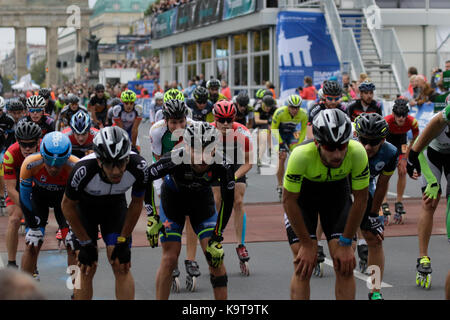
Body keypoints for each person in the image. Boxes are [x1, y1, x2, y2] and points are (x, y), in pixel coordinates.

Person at [283, 108, 369, 300]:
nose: (338, 154)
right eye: (330, 148)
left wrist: (347, 242)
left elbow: (361, 200)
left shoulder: (357, 152)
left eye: (342, 146)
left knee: (345, 265)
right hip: (303, 201)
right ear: (317, 143)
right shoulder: (300, 155)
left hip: (337, 198)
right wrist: (306, 243)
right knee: (303, 265)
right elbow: (288, 201)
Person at [144, 121, 235, 300]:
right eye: (197, 150)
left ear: (216, 148)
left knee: (214, 259)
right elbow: (146, 177)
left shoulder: (224, 165)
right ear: (186, 147)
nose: (202, 158)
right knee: (170, 258)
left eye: (208, 151)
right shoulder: (174, 158)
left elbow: (228, 202)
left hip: (201, 203)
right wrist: (151, 215)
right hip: (173, 201)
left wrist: (217, 237)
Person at [62, 126, 147, 300]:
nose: (116, 171)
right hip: (85, 210)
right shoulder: (82, 169)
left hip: (115, 208)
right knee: (86, 266)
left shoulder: (139, 166)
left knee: (121, 264)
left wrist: (123, 240)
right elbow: (67, 206)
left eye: (121, 163)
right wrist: (85, 243)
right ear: (99, 161)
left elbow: (137, 203)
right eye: (109, 164)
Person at [148, 99, 198, 291]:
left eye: (181, 122)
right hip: (166, 171)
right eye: (173, 123)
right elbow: (158, 161)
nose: (178, 127)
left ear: (187, 118)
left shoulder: (196, 127)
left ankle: (191, 260)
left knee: (192, 215)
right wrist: (160, 187)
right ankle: (172, 259)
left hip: (190, 170)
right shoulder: (156, 130)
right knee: (169, 215)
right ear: (166, 120)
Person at [19, 132, 78, 280]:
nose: (53, 168)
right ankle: (22, 289)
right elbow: (24, 199)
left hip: (65, 204)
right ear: (42, 155)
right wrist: (32, 226)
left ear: (66, 159)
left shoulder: (76, 166)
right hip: (39, 200)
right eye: (49, 163)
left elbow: (81, 202)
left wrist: (75, 228)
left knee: (73, 246)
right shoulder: (30, 163)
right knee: (32, 243)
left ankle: (76, 290)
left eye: (58, 165)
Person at [354, 113, 398, 300]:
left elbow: (382, 185)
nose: (367, 147)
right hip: (341, 184)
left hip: (367, 185)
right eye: (364, 140)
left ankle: (375, 291)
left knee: (376, 238)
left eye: (373, 142)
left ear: (384, 139)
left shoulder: (390, 152)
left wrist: (373, 214)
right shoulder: (349, 147)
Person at [406, 103, 450, 290]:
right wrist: (432, 182)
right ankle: (423, 256)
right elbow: (418, 150)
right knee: (430, 202)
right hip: (430, 155)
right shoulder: (436, 122)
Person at [211, 101, 253, 276]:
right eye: (222, 120)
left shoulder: (242, 132)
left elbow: (249, 162)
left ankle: (240, 244)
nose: (226, 124)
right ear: (215, 119)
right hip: (215, 163)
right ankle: (215, 240)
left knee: (238, 200)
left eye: (229, 120)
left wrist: (232, 178)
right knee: (217, 201)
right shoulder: (207, 131)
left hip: (236, 164)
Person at [4, 121, 41, 269]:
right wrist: (27, 209)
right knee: (14, 219)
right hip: (18, 188)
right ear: (17, 141)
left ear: (38, 141)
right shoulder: (10, 155)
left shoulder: (45, 150)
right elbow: (11, 189)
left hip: (37, 186)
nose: (27, 148)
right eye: (23, 144)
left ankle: (33, 265)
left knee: (38, 223)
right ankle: (11, 263)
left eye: (31, 144)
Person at [383, 99, 419, 224]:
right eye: (398, 115)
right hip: (387, 143)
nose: (401, 118)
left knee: (402, 170)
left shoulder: (412, 122)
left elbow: (415, 139)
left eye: (404, 115)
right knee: (385, 173)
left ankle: (399, 202)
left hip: (401, 143)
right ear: (393, 114)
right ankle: (384, 202)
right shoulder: (386, 121)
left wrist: (405, 157)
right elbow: (380, 140)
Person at [271, 94, 308, 201]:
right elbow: (273, 129)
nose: (295, 110)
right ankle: (279, 184)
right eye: (292, 107)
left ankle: (296, 182)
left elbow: (304, 130)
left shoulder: (303, 114)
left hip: (292, 134)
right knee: (282, 157)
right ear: (288, 106)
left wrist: (299, 144)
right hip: (279, 135)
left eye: (297, 107)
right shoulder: (279, 113)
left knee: (297, 156)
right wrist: (280, 144)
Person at [254, 95, 277, 169]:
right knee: (262, 140)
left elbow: (274, 121)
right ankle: (260, 157)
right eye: (266, 106)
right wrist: (267, 121)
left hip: (270, 124)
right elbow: (257, 121)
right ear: (263, 104)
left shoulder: (274, 108)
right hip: (261, 124)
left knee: (271, 136)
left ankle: (271, 152)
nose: (268, 108)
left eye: (269, 107)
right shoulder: (258, 106)